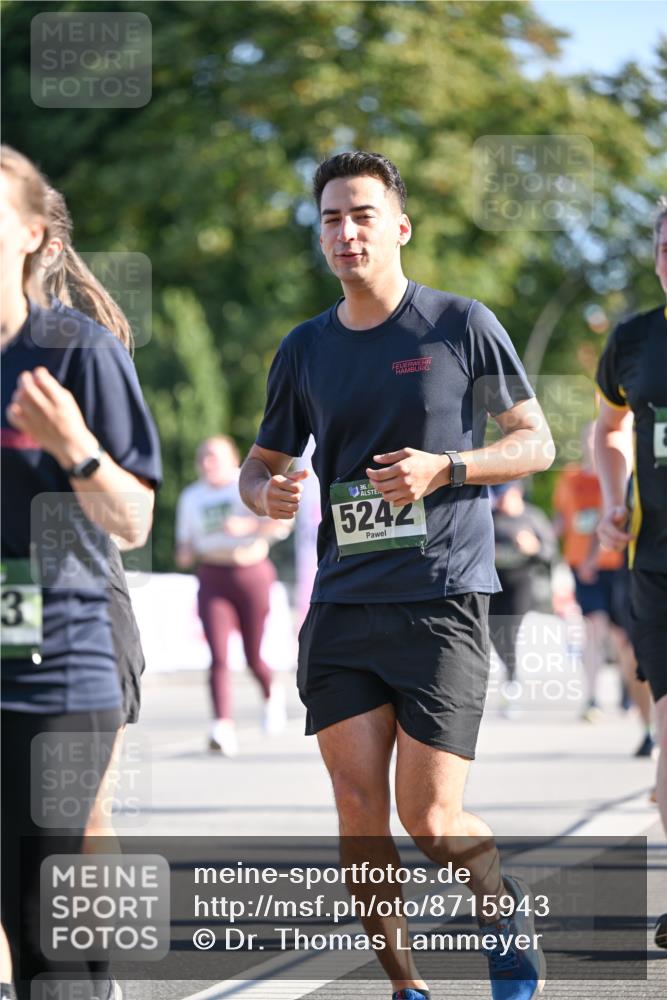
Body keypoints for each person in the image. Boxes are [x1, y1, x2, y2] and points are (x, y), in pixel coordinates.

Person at [239, 151, 554, 1000]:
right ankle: (406, 990)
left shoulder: (458, 324)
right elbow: (260, 458)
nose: (345, 232)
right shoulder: (304, 347)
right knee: (358, 818)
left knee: (433, 821)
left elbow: (535, 442)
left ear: (399, 227)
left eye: (361, 215)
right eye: (331, 219)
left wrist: (445, 470)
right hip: (342, 607)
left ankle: (499, 908)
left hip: (441, 601)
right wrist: (263, 489)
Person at [0, 147, 161, 998]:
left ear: (36, 237)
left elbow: (133, 520)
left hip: (75, 627)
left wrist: (78, 453)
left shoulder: (75, 351)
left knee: (76, 829)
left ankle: (89, 978)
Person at [595, 196, 667, 947]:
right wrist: (613, 498)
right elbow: (608, 424)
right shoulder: (635, 340)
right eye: (665, 244)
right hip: (657, 563)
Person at [175, 435, 289, 756]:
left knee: (253, 655)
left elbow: (280, 524)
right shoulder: (191, 497)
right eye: (203, 457)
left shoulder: (247, 483)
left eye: (215, 456)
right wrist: (184, 552)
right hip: (213, 576)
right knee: (218, 656)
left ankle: (270, 694)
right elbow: (185, 543)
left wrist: (248, 529)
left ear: (232, 459)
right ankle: (221, 725)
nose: (208, 463)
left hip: (251, 572)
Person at [553, 422, 653, 744]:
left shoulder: (622, 478)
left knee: (622, 639)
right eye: (589, 438)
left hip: (619, 566)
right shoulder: (569, 479)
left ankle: (629, 693)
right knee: (594, 628)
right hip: (582, 567)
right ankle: (593, 697)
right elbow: (561, 519)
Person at [489, 480, 556, 717]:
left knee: (511, 632)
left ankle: (512, 684)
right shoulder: (490, 516)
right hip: (494, 586)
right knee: (495, 634)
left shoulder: (532, 517)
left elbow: (550, 554)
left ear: (516, 492)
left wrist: (533, 547)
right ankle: (511, 675)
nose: (501, 499)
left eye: (505, 494)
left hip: (522, 584)